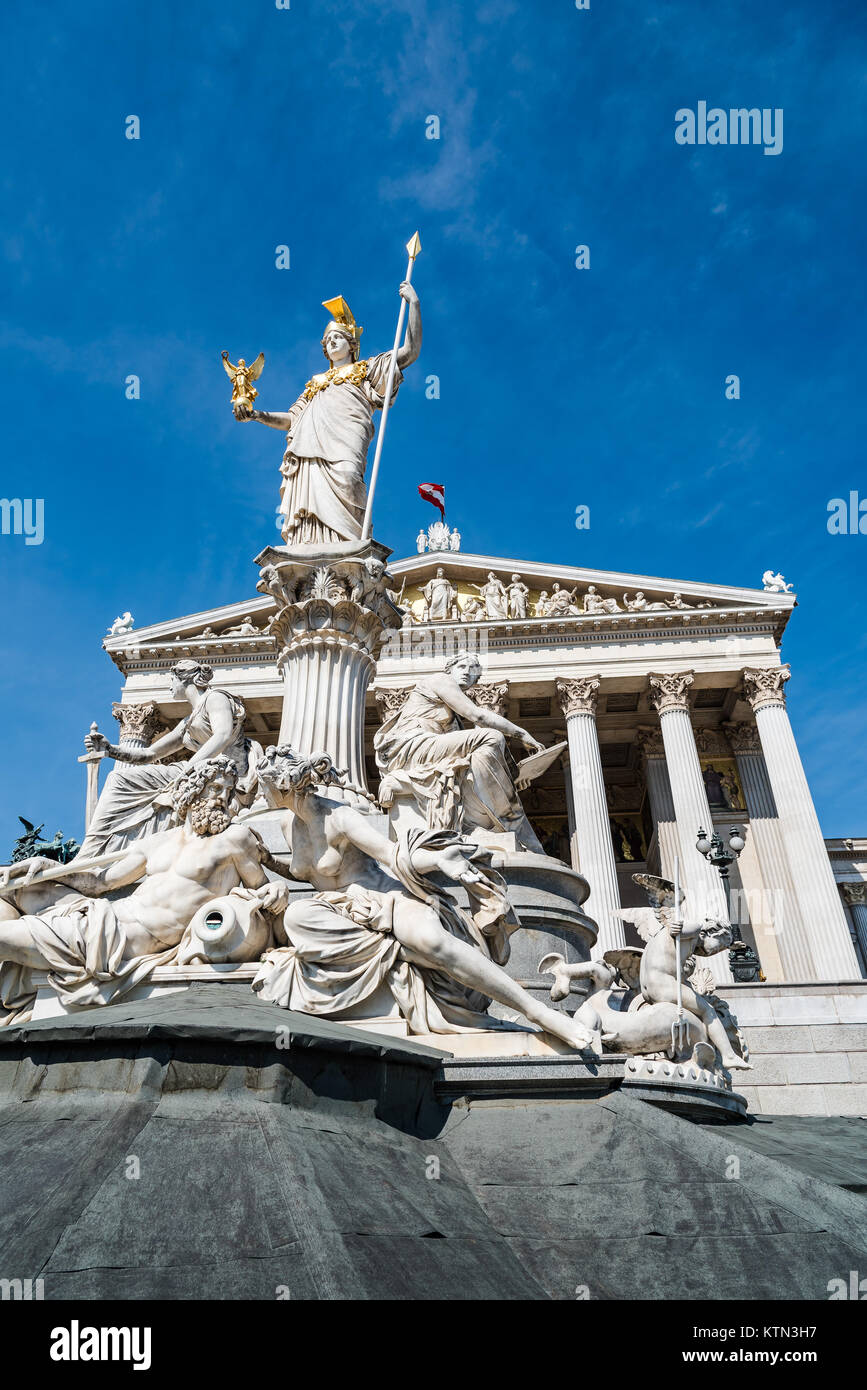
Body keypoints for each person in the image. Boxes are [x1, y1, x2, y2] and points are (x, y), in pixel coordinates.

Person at [253, 745, 594, 1050]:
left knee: (432, 942)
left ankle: (541, 1014)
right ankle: (389, 958)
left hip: (381, 898)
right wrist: (269, 862)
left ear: (283, 785)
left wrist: (438, 859)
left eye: (263, 785)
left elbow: (392, 855)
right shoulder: (289, 824)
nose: (257, 792)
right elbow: (307, 872)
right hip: (337, 907)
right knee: (297, 915)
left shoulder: (340, 817)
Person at [0, 758, 288, 1024]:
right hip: (104, 914)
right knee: (9, 889)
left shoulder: (234, 839)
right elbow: (100, 883)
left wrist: (277, 890)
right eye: (215, 788)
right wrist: (46, 864)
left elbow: (262, 890)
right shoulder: (157, 842)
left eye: (229, 792)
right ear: (192, 790)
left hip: (123, 938)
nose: (223, 799)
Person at [235, 288, 422, 545]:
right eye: (328, 339)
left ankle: (351, 544)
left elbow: (410, 351)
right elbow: (292, 419)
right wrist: (256, 415)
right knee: (310, 503)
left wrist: (414, 304)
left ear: (352, 344)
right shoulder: (315, 384)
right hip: (310, 449)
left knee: (347, 478)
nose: (332, 342)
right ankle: (313, 546)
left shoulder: (366, 370)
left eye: (338, 337)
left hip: (346, 440)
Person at [79, 660, 262, 858]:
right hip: (199, 772)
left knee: (126, 781)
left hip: (226, 775)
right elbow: (150, 754)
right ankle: (95, 850)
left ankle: (103, 850)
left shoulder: (216, 698)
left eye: (172, 679)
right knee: (118, 779)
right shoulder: (188, 722)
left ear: (186, 679)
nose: (169, 685)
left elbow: (223, 735)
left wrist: (188, 773)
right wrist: (110, 749)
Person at [373, 652, 545, 852]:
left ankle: (478, 825)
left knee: (483, 752)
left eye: (473, 670)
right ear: (449, 669)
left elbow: (475, 760)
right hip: (411, 746)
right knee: (491, 737)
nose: (467, 673)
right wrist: (521, 733)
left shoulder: (455, 721)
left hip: (430, 747)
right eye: (462, 667)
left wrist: (509, 778)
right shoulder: (440, 680)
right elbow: (476, 714)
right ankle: (498, 820)